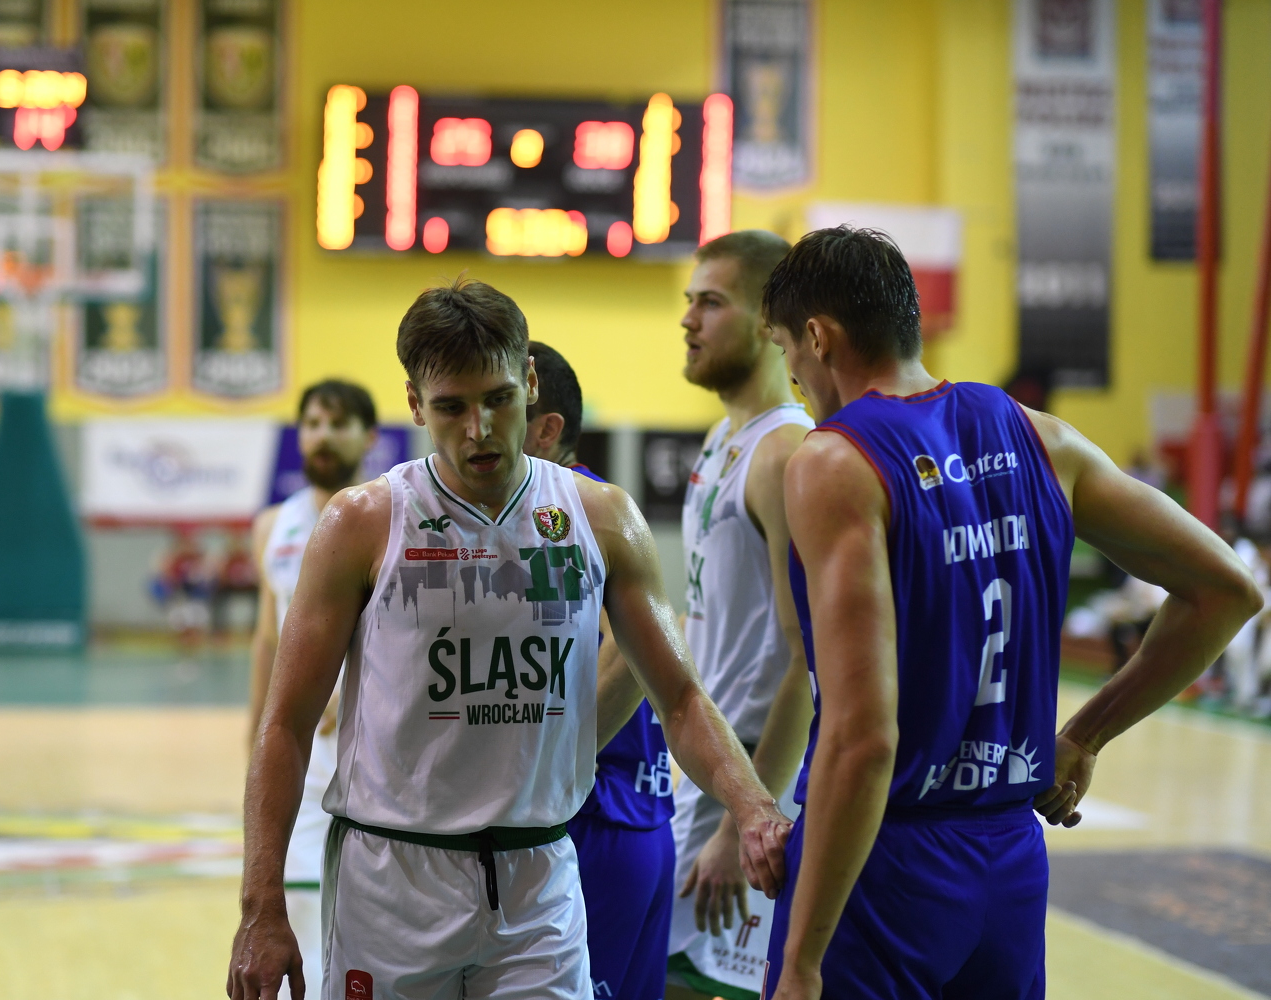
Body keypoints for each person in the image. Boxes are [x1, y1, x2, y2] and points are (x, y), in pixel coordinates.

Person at [228, 277, 790, 1000]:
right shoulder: (361, 523)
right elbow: (285, 723)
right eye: (451, 407)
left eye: (497, 398)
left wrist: (752, 804)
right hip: (392, 881)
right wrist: (261, 906)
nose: (479, 429)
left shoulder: (602, 517)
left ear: (530, 382)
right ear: (414, 404)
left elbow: (679, 695)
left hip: (538, 882)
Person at [758, 226, 1262, 1000]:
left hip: (886, 865)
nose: (794, 378)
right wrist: (1085, 735)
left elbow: (863, 739)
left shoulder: (833, 460)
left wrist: (801, 958)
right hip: (1009, 869)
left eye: (787, 352)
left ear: (818, 338)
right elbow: (1228, 588)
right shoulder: (1040, 436)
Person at [665, 230, 815, 1000]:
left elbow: (806, 663)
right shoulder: (722, 437)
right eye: (689, 301)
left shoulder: (785, 453)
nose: (688, 319)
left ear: (766, 320)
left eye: (711, 302)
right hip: (701, 770)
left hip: (751, 784)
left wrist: (742, 821)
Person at [522, 339, 676, 1000]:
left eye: (499, 407)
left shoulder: (566, 512)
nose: (477, 431)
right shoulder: (587, 504)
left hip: (594, 819)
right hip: (640, 815)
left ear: (546, 427)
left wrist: (550, 767)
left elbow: (637, 654)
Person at [247, 379, 380, 998]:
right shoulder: (272, 526)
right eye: (313, 423)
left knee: (363, 929)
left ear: (368, 437)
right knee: (293, 917)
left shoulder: (383, 520)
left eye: (338, 424)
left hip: (366, 752)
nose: (323, 436)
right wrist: (254, 740)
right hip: (297, 752)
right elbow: (266, 640)